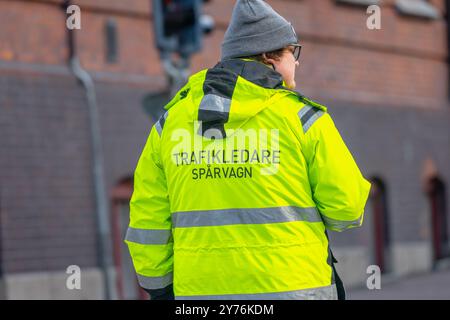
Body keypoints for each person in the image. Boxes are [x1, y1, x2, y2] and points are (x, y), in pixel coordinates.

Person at [125, 0, 371, 300]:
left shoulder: (171, 122)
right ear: (270, 57)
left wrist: (160, 288)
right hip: (295, 290)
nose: (297, 62)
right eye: (292, 52)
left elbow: (147, 220)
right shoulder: (303, 120)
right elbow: (346, 209)